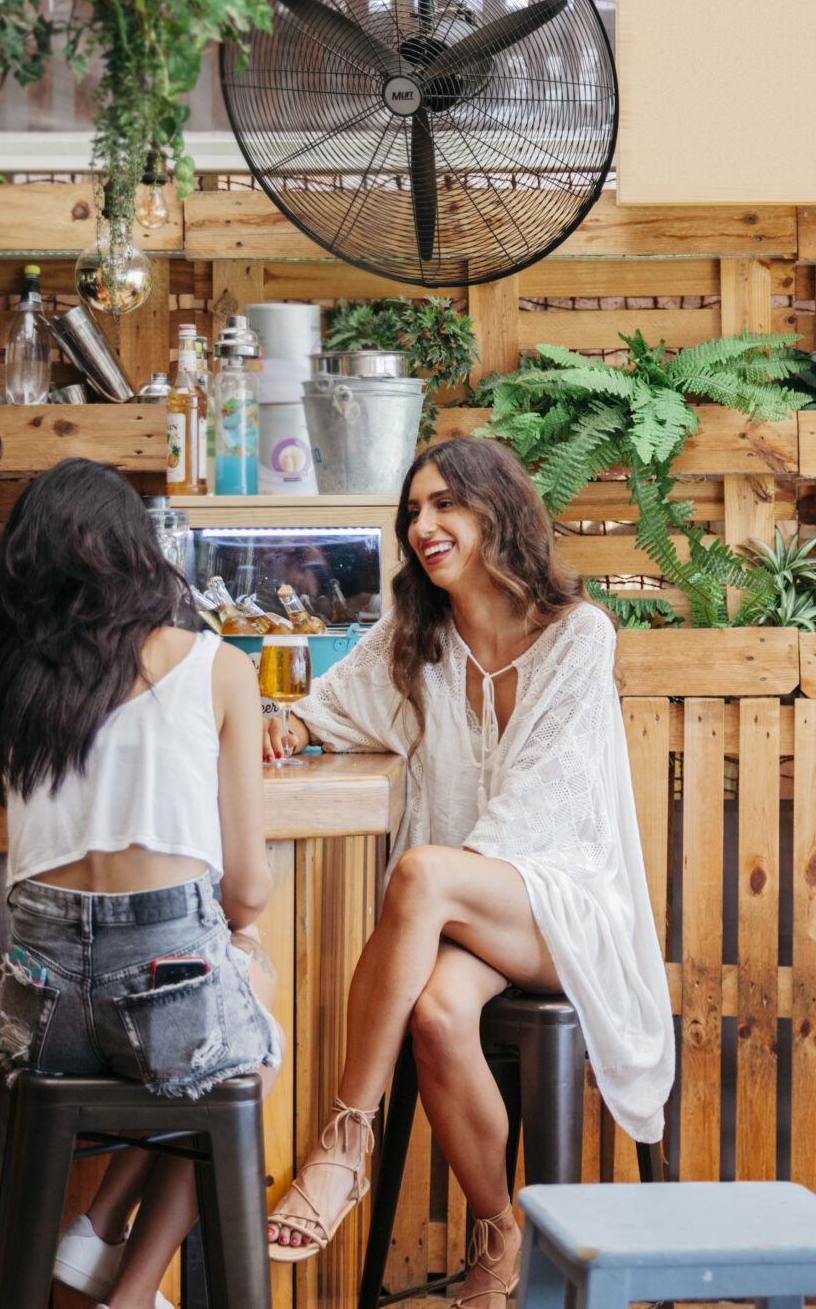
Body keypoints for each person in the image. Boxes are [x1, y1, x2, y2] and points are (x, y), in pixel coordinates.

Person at [260, 436, 671, 1305]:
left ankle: (343, 1144)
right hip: (469, 909)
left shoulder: (577, 636)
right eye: (414, 510)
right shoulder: (418, 637)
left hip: (564, 908)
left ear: (497, 510)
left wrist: (445, 883)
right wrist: (290, 728)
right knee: (441, 1013)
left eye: (445, 503)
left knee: (420, 877)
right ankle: (499, 1235)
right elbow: (333, 706)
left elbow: (548, 809)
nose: (423, 524)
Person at [0, 458, 280, 1309]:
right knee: (244, 1031)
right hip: (168, 1002)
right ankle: (131, 1291)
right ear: (139, 554)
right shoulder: (215, 667)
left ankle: (95, 1232)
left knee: (206, 1043)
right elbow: (247, 889)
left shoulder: (8, 685)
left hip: (40, 1021)